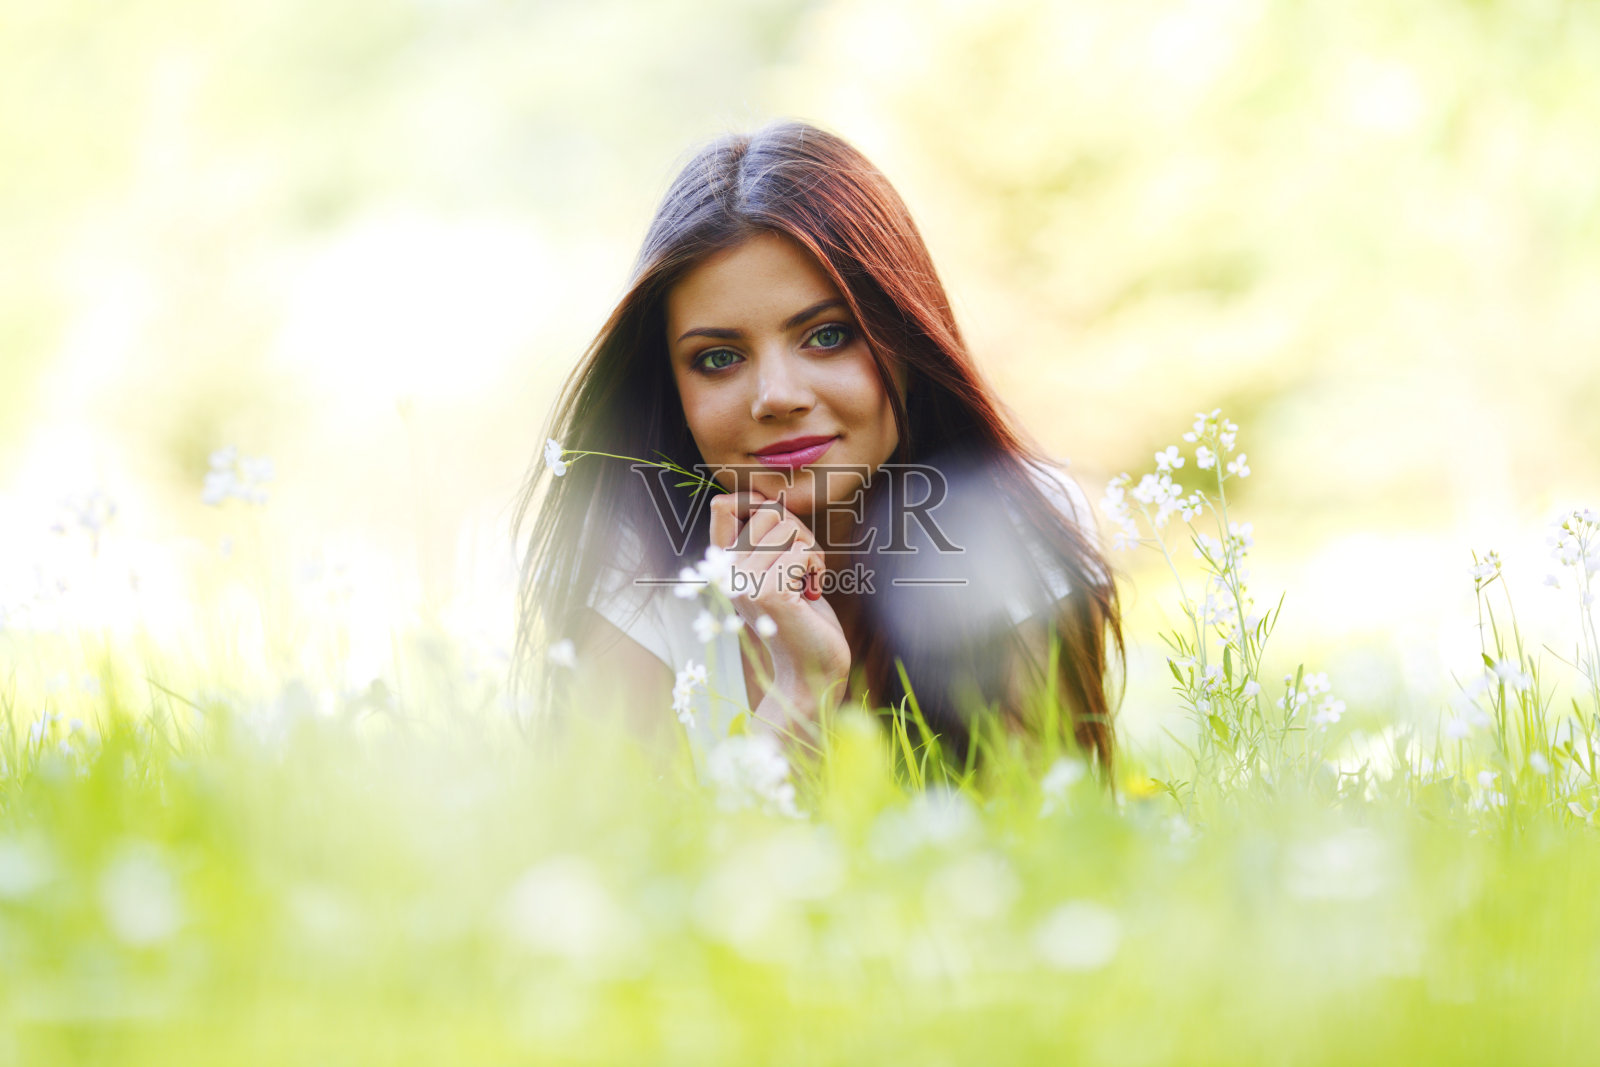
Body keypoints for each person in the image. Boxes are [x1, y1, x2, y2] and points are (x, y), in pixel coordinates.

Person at [514, 120, 1122, 774]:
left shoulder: (1016, 529)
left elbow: (1060, 849)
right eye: (717, 357)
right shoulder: (636, 578)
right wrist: (798, 699)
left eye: (828, 336)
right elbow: (634, 872)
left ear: (908, 340)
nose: (776, 395)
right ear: (671, 389)